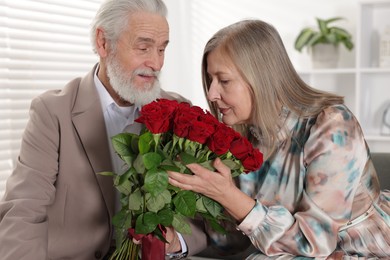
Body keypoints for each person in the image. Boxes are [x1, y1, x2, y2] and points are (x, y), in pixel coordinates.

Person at [167, 19, 390, 259]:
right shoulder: (241, 135)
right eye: (210, 80)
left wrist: (229, 196)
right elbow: (234, 235)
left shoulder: (331, 125)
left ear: (261, 78)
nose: (211, 93)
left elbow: (314, 242)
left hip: (361, 250)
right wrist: (174, 240)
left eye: (224, 80)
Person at [0, 0, 191, 259]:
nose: (156, 63)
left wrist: (176, 241)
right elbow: (23, 211)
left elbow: (199, 218)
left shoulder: (179, 112)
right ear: (103, 43)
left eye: (161, 49)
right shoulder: (52, 112)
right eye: (144, 47)